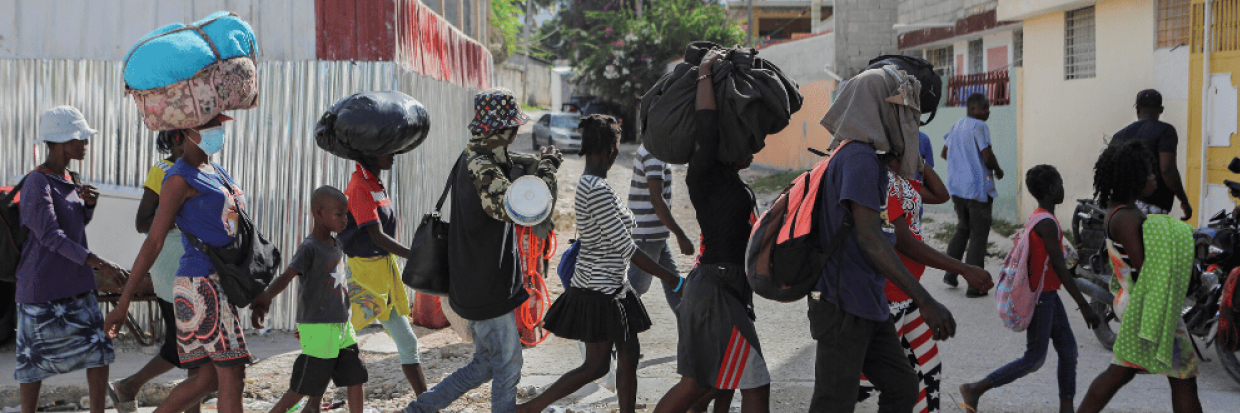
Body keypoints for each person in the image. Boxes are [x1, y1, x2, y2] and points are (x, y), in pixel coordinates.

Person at [812, 66, 969, 413]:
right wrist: (925, 299)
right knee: (835, 401)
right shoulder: (860, 160)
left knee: (902, 386)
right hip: (845, 304)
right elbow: (873, 239)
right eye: (900, 110)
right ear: (880, 110)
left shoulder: (860, 156)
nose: (907, 119)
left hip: (865, 301)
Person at [401, 88, 562, 413]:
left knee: (486, 364)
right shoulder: (482, 165)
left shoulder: (479, 155)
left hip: (478, 283)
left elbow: (513, 165)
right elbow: (517, 207)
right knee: (508, 364)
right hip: (485, 287)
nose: (517, 132)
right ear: (498, 130)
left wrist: (540, 162)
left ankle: (419, 410)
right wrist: (546, 171)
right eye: (512, 127)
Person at [519, 115, 683, 413]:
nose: (617, 153)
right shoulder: (596, 189)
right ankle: (529, 408)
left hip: (613, 286)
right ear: (608, 150)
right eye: (615, 147)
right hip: (599, 289)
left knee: (630, 354)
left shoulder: (595, 184)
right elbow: (627, 247)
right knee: (595, 366)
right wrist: (673, 279)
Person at [105, 114, 253, 413]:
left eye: (219, 125)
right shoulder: (178, 176)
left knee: (208, 378)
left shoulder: (216, 171)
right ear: (185, 132)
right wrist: (123, 303)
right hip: (201, 284)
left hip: (219, 280)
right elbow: (153, 241)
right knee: (232, 374)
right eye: (210, 126)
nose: (218, 131)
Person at [653, 49, 770, 413]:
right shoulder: (704, 173)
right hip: (714, 291)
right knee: (746, 383)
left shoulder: (734, 183)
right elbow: (706, 125)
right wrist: (705, 73)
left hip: (724, 290)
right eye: (747, 140)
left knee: (707, 384)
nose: (754, 147)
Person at [958, 165, 1102, 413]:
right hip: (1042, 297)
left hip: (1048, 295)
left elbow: (1052, 261)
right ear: (1050, 189)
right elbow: (1060, 268)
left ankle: (1066, 406)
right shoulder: (1047, 223)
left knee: (1068, 350)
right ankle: (975, 389)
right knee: (1034, 359)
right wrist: (1084, 305)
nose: (1063, 188)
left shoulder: (1040, 217)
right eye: (1060, 183)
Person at [855, 156, 993, 413]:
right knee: (860, 383)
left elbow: (941, 195)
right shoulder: (880, 182)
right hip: (888, 296)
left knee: (927, 371)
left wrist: (919, 163)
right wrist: (962, 268)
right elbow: (903, 241)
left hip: (909, 296)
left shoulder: (904, 183)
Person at [15, 106, 128, 413]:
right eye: (80, 137)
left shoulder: (69, 177)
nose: (85, 143)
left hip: (76, 285)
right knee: (33, 365)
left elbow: (73, 229)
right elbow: (51, 237)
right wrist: (102, 263)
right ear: (63, 141)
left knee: (100, 352)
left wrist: (87, 206)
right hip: (41, 290)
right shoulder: (36, 183)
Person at [1078, 141, 1202, 413]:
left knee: (1131, 372)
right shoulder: (1126, 217)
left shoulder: (1122, 211)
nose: (1154, 176)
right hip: (1145, 303)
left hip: (1136, 300)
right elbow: (1143, 265)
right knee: (1177, 375)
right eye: (1148, 172)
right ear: (1132, 178)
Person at [110, 130, 206, 413]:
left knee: (189, 345)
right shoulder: (162, 171)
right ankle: (131, 387)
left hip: (195, 266)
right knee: (189, 346)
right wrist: (179, 213)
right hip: (173, 266)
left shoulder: (203, 171)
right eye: (195, 135)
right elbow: (143, 222)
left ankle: (129, 387)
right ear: (178, 140)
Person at [251, 186, 367, 413]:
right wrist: (266, 296)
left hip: (342, 325)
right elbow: (287, 276)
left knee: (356, 375)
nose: (344, 220)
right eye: (339, 214)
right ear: (319, 213)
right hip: (320, 327)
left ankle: (313, 408)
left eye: (346, 214)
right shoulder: (309, 247)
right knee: (303, 385)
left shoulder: (337, 244)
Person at [339, 148, 426, 396]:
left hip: (383, 276)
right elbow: (376, 236)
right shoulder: (359, 187)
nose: (394, 153)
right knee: (336, 341)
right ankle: (305, 401)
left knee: (408, 342)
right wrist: (416, 256)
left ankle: (426, 405)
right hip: (364, 277)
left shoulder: (374, 183)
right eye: (386, 148)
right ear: (368, 153)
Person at [941, 93, 1004, 297]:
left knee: (963, 229)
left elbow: (944, 153)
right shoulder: (980, 127)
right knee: (978, 235)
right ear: (973, 109)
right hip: (977, 190)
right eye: (984, 108)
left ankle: (951, 273)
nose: (988, 112)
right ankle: (975, 286)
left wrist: (961, 164)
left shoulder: (957, 125)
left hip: (958, 189)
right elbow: (987, 156)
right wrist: (998, 170)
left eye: (988, 108)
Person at [626, 143, 693, 314]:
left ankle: (689, 335)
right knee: (632, 293)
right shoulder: (653, 153)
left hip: (655, 235)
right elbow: (657, 199)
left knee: (677, 287)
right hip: (648, 236)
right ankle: (598, 335)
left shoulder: (654, 149)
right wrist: (680, 235)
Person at [1110, 89, 1192, 220]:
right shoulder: (1166, 131)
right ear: (1161, 110)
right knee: (1151, 241)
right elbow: (1167, 170)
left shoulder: (1120, 135)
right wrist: (1183, 201)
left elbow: (1111, 172)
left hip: (1122, 210)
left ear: (1137, 110)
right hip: (1153, 208)